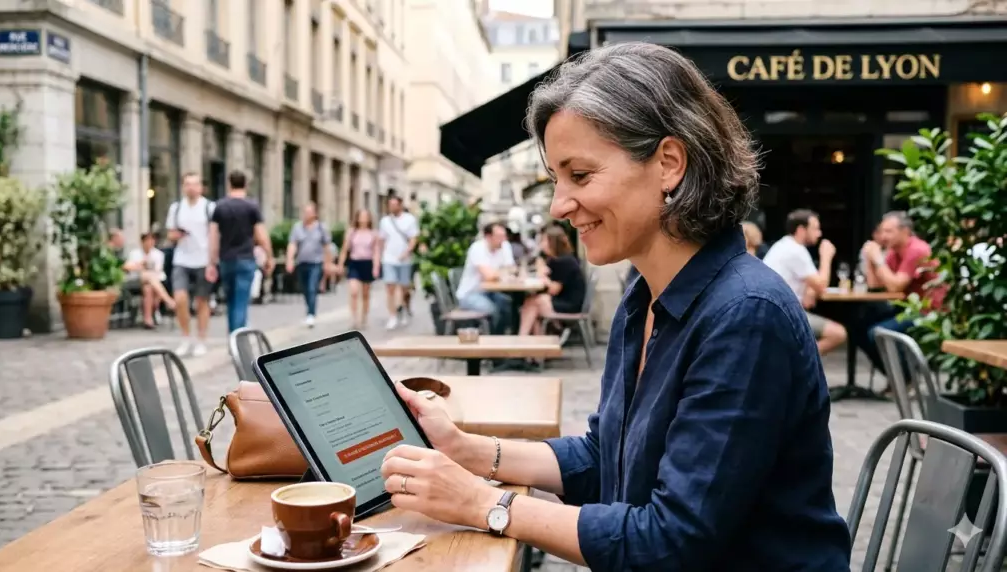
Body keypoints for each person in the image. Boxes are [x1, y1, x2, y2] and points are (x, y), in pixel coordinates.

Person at [378, 42, 850, 572]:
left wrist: (484, 503)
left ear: (669, 163)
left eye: (579, 175)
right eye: (557, 179)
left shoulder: (746, 313)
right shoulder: (644, 294)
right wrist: (465, 448)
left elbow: (671, 542)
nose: (559, 204)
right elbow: (606, 457)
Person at [858, 211, 946, 373]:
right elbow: (876, 285)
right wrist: (870, 260)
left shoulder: (917, 250)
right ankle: (895, 378)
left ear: (905, 231)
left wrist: (878, 259)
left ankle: (906, 378)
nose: (883, 236)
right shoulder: (894, 251)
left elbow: (894, 286)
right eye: (882, 231)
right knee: (858, 327)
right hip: (907, 308)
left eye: (889, 231)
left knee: (878, 332)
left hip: (929, 311)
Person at [762, 210, 847, 355]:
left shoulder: (785, 245)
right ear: (801, 230)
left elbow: (810, 282)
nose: (819, 233)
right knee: (838, 334)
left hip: (773, 311)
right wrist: (826, 256)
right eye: (815, 228)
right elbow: (821, 286)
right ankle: (801, 365)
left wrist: (809, 289)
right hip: (782, 314)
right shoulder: (796, 250)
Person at [207, 171, 274, 333]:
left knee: (230, 301)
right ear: (246, 185)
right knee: (241, 301)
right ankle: (239, 338)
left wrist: (211, 262)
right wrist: (269, 256)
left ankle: (232, 337)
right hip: (245, 258)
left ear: (229, 184)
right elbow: (261, 235)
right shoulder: (251, 207)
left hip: (226, 259)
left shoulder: (220, 207)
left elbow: (213, 236)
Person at [166, 173, 215, 356]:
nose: (191, 188)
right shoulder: (177, 208)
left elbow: (214, 235)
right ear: (183, 186)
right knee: (180, 299)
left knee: (202, 301)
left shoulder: (209, 207)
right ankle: (185, 337)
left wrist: (213, 261)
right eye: (187, 184)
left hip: (203, 260)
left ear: (201, 187)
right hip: (182, 259)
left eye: (195, 184)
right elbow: (169, 234)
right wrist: (177, 235)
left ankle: (201, 339)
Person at [519, 225, 586, 336]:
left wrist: (543, 277)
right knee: (532, 303)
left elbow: (553, 290)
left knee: (534, 302)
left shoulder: (565, 261)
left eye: (544, 240)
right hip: (561, 301)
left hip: (570, 305)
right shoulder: (557, 259)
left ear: (553, 242)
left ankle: (523, 339)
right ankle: (535, 345)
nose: (541, 244)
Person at [455, 222, 515, 335]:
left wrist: (499, 273)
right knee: (492, 310)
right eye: (499, 236)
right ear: (488, 237)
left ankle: (503, 338)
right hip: (470, 294)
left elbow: (511, 269)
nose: (503, 239)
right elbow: (489, 276)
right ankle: (491, 344)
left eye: (504, 236)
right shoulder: (477, 248)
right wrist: (502, 272)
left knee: (507, 304)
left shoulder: (505, 245)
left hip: (490, 292)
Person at [285, 203, 337, 328]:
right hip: (302, 262)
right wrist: (289, 260)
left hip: (316, 262)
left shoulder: (321, 228)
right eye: (305, 212)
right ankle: (309, 309)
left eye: (309, 212)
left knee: (312, 287)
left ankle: (311, 314)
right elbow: (292, 244)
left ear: (314, 214)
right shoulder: (297, 227)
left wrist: (328, 263)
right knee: (304, 289)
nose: (306, 215)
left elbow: (326, 247)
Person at [378, 195, 419, 330]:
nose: (392, 207)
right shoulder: (385, 221)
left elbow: (414, 238)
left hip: (404, 260)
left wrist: (406, 252)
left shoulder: (409, 219)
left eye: (394, 204)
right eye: (390, 205)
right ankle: (392, 316)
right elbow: (382, 240)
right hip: (389, 259)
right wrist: (380, 257)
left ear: (400, 205)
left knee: (404, 289)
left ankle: (403, 310)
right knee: (390, 289)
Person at [338, 209, 381, 329]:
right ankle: (353, 318)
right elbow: (345, 249)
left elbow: (376, 251)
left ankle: (364, 317)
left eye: (365, 216)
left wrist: (376, 267)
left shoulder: (373, 233)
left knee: (366, 293)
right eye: (361, 216)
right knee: (354, 291)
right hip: (354, 263)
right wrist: (341, 264)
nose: (363, 219)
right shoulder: (351, 232)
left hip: (367, 263)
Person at [123, 232, 176, 329]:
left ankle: (148, 319)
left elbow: (158, 271)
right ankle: (168, 300)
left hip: (154, 282)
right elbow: (126, 267)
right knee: (147, 276)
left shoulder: (158, 254)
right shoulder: (135, 253)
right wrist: (139, 265)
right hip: (137, 280)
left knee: (148, 288)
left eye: (151, 240)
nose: (149, 243)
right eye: (147, 241)